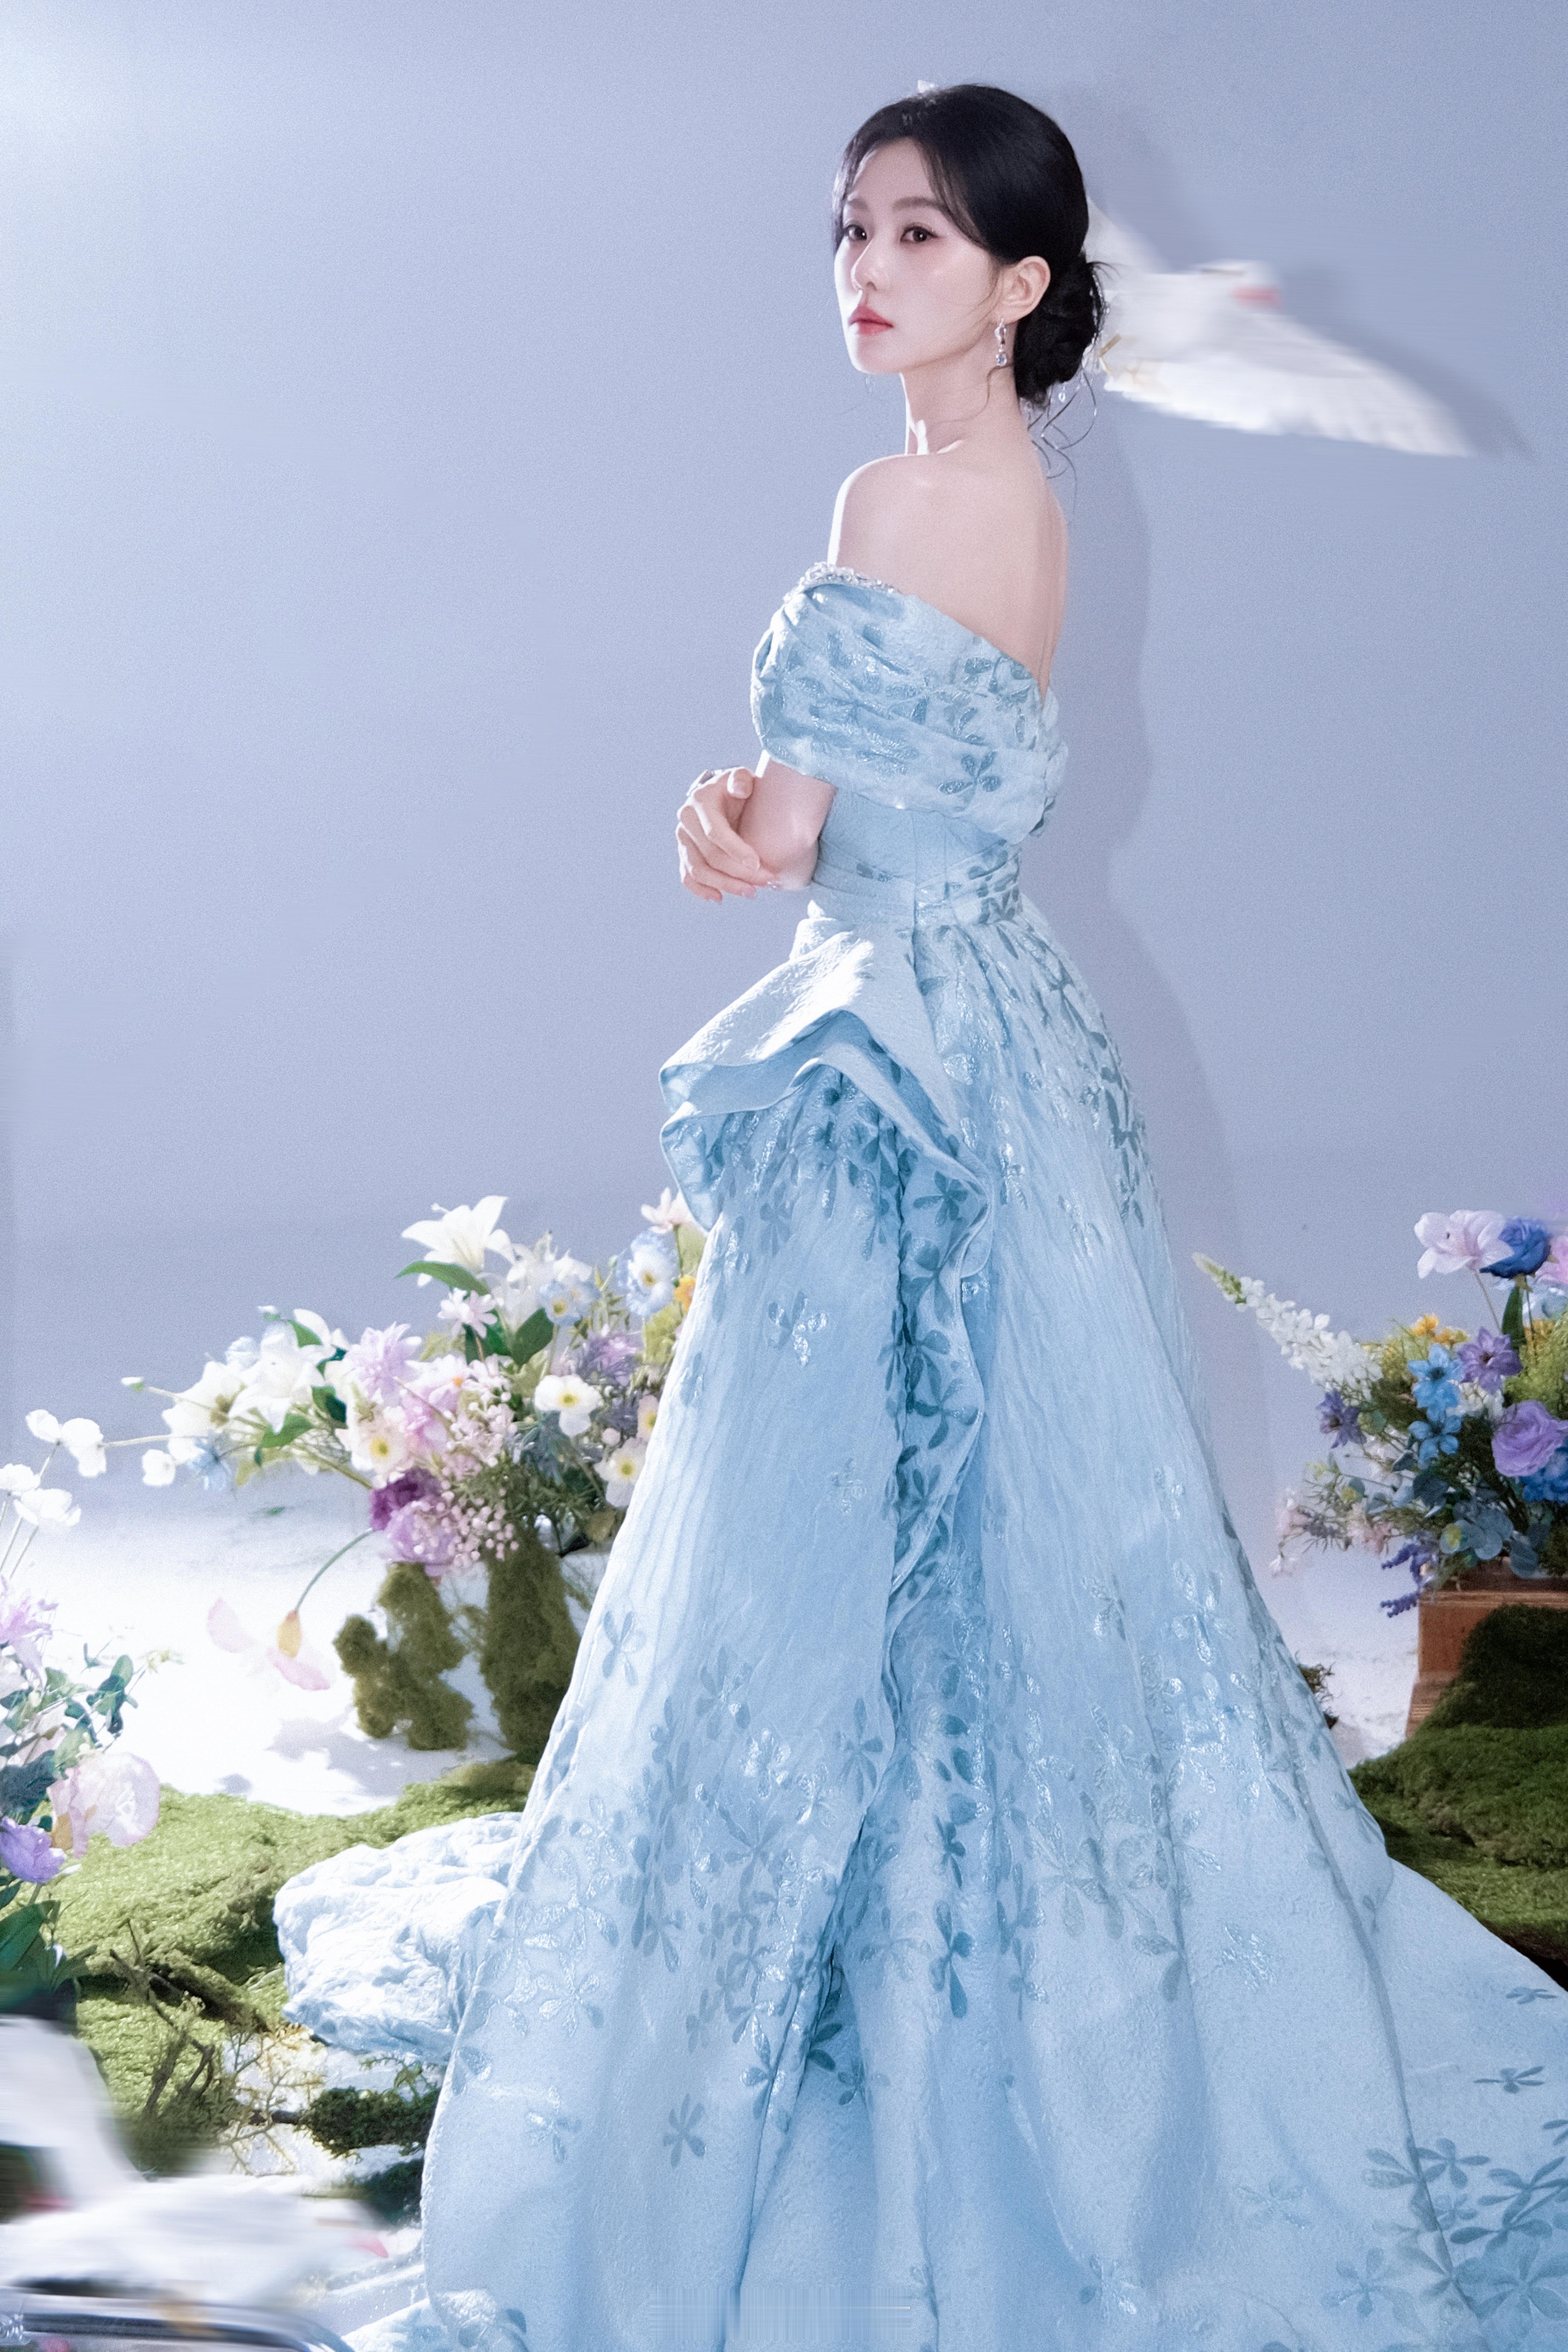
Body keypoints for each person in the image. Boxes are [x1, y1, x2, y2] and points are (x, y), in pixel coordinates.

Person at [371, 84, 1568, 2352]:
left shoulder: (899, 495)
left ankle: (858, 2004)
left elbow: (799, 840)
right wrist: (766, 823)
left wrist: (729, 828)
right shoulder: (1021, 497)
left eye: (921, 235)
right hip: (1002, 1044)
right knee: (1021, 1511)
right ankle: (1029, 1972)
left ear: (1022, 283)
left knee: (840, 1510)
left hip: (894, 1069)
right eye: (852, 227)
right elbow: (877, 813)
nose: (867, 267)